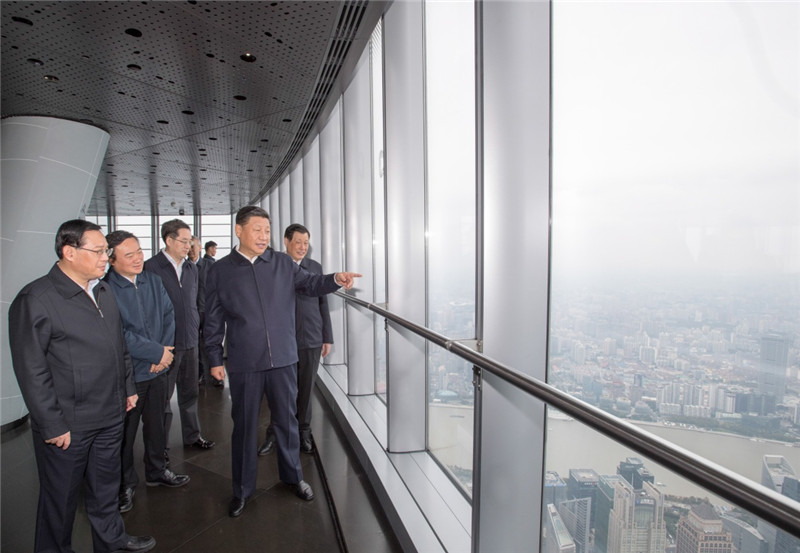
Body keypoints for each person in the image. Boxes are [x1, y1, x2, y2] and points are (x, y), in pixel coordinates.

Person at [8, 219, 156, 553]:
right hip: (68, 424)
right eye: (99, 251)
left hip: (110, 413)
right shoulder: (36, 299)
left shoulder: (102, 290)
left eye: (107, 251)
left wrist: (128, 387)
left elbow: (118, 345)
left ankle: (112, 541)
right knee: (60, 500)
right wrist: (52, 423)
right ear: (69, 252)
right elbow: (31, 369)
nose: (106, 257)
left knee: (106, 489)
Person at [204, 206, 361, 518]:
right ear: (239, 230)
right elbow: (212, 318)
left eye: (267, 230)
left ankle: (293, 477)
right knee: (245, 427)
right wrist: (213, 358)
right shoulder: (220, 271)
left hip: (284, 358)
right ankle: (242, 489)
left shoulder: (281, 263)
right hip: (245, 361)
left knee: (287, 423)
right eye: (257, 230)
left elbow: (311, 284)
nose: (264, 236)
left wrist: (335, 279)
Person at [105, 231, 190, 515]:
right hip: (130, 374)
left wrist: (163, 354)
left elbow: (168, 315)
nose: (138, 258)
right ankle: (125, 484)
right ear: (111, 260)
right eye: (129, 255)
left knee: (157, 425)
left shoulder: (152, 280)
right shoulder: (105, 289)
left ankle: (157, 471)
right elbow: (117, 333)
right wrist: (155, 353)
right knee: (125, 434)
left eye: (139, 251)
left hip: (159, 368)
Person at [144, 220, 214, 463]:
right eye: (184, 241)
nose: (189, 246)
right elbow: (148, 310)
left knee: (190, 392)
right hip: (166, 345)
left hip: (190, 339)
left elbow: (195, 302)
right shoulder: (151, 268)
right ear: (169, 240)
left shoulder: (191, 268)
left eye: (190, 241)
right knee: (163, 398)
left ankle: (192, 435)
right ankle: (159, 446)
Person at [259, 224, 332, 456]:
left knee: (306, 388)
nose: (302, 247)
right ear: (286, 241)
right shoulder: (274, 266)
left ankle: (304, 432)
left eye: (306, 243)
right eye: (298, 242)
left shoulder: (315, 267)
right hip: (282, 338)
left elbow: (323, 302)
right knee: (280, 390)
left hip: (311, 336)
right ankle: (275, 432)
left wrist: (327, 337)